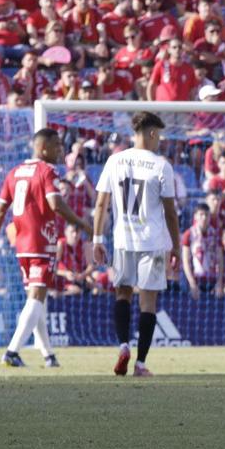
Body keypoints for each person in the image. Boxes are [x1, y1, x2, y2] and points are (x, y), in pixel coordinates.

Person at [0, 127, 86, 369]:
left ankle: (48, 355)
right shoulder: (47, 170)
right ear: (43, 148)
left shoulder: (15, 172)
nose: (60, 150)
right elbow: (56, 203)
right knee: (37, 297)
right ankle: (11, 351)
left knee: (36, 298)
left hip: (21, 244)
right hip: (42, 241)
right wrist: (84, 224)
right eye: (56, 145)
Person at [93, 112, 183, 378]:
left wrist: (97, 239)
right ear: (152, 133)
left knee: (122, 294)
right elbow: (170, 211)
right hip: (152, 242)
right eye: (159, 136)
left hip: (122, 240)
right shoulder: (160, 165)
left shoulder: (115, 160)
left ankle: (123, 345)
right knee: (148, 303)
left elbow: (101, 204)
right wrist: (176, 247)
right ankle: (141, 364)